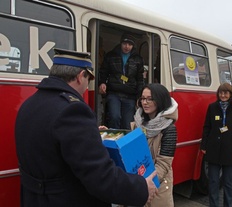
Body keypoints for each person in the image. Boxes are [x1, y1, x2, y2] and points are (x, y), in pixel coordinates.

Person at [15, 48, 157, 207]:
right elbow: (101, 177)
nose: (86, 86)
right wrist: (141, 188)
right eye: (88, 79)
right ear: (80, 76)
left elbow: (51, 143)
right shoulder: (73, 110)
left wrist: (91, 133)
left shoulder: (29, 104)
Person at [133, 83, 178, 207]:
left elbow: (164, 164)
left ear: (160, 100)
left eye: (150, 99)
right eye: (142, 98)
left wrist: (147, 184)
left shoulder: (169, 129)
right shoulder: (138, 122)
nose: (145, 102)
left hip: (158, 186)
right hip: (140, 182)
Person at [200, 83, 232, 207]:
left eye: (225, 93)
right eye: (221, 93)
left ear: (230, 94)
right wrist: (203, 145)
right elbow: (206, 127)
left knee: (227, 182)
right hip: (213, 149)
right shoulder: (212, 107)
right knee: (213, 181)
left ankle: (228, 205)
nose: (223, 95)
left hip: (230, 151)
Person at [98, 32, 144, 129]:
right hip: (114, 93)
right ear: (120, 43)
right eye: (124, 43)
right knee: (114, 117)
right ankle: (113, 141)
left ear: (133, 46)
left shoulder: (138, 59)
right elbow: (103, 71)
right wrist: (102, 83)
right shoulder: (111, 55)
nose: (127, 47)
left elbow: (140, 79)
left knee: (128, 123)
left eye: (130, 44)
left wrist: (139, 96)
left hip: (130, 95)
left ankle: (124, 143)